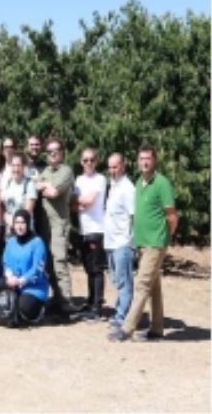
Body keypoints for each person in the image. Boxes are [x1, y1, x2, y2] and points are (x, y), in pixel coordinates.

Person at [109, 146, 178, 342]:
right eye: (141, 159)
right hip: (142, 243)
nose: (144, 162)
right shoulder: (139, 183)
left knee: (142, 284)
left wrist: (165, 237)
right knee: (153, 286)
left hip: (156, 242)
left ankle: (127, 328)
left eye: (148, 158)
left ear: (154, 160)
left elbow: (172, 216)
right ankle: (157, 329)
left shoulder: (162, 183)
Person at [34, 137, 75, 313]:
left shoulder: (66, 171)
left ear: (62, 153)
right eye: (49, 151)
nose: (52, 154)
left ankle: (66, 303)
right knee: (48, 264)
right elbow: (34, 186)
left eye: (55, 151)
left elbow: (53, 192)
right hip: (46, 225)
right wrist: (43, 185)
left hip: (59, 224)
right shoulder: (46, 171)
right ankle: (57, 299)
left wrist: (43, 185)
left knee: (59, 262)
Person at [103, 153, 136, 329]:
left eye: (115, 167)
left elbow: (134, 216)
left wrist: (131, 242)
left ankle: (122, 317)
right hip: (111, 242)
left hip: (123, 242)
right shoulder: (113, 186)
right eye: (110, 167)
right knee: (117, 280)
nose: (112, 170)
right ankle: (120, 312)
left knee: (124, 281)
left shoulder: (128, 188)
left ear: (123, 166)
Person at [75, 147, 107, 319]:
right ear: (81, 162)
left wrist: (79, 202)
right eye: (85, 160)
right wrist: (79, 203)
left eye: (91, 160)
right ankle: (90, 302)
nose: (88, 163)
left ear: (96, 161)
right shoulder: (78, 180)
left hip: (96, 229)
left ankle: (97, 306)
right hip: (83, 230)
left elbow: (89, 201)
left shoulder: (100, 179)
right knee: (88, 268)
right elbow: (72, 205)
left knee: (96, 269)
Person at [2, 209, 49, 324]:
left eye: (23, 223)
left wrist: (20, 281)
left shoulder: (37, 242)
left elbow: (37, 270)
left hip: (34, 287)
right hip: (14, 284)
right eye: (17, 223)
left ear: (28, 223)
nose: (19, 226)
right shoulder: (11, 242)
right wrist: (10, 276)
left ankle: (40, 310)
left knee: (23, 308)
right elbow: (5, 263)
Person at [0, 152, 37, 269]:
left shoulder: (29, 184)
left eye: (19, 165)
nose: (16, 169)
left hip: (24, 231)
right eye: (13, 165)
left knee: (25, 263)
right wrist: (6, 218)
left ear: (24, 167)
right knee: (11, 264)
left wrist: (14, 222)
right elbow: (3, 205)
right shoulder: (7, 183)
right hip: (9, 232)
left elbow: (27, 211)